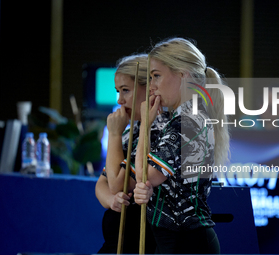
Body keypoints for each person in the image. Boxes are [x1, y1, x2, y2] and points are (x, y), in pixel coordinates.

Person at [133, 38, 230, 254]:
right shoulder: (180, 119)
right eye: (150, 78)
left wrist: (145, 126)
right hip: (173, 242)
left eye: (156, 76)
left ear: (182, 74)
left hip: (188, 244)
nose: (152, 85)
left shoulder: (188, 122)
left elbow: (145, 176)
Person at [95, 54, 163, 254]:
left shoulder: (158, 130)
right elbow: (102, 183)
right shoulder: (130, 130)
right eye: (118, 91)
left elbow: (117, 184)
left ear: (149, 88)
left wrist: (114, 134)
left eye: (126, 90)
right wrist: (111, 201)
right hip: (116, 242)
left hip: (141, 242)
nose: (119, 99)